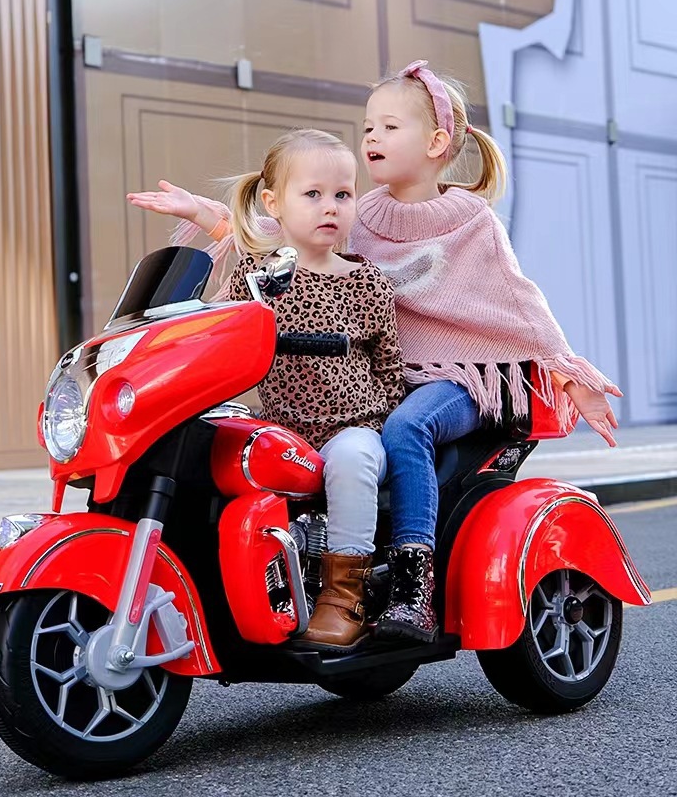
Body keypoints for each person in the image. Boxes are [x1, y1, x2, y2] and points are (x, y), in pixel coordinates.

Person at [126, 62, 621, 647]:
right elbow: (286, 234)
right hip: (383, 376)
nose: (371, 139)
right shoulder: (359, 217)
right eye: (367, 128)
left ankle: (414, 585)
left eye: (388, 127)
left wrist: (568, 372)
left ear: (437, 143)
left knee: (406, 427)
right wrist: (206, 216)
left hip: (462, 376)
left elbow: (519, 303)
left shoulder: (473, 222)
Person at [210, 128, 405, 652]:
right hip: (280, 429)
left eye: (343, 195)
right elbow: (222, 341)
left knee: (352, 462)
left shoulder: (366, 282)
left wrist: (382, 421)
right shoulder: (255, 278)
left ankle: (346, 594)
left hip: (352, 427)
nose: (330, 207)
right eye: (313, 194)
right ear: (274, 203)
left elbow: (388, 364)